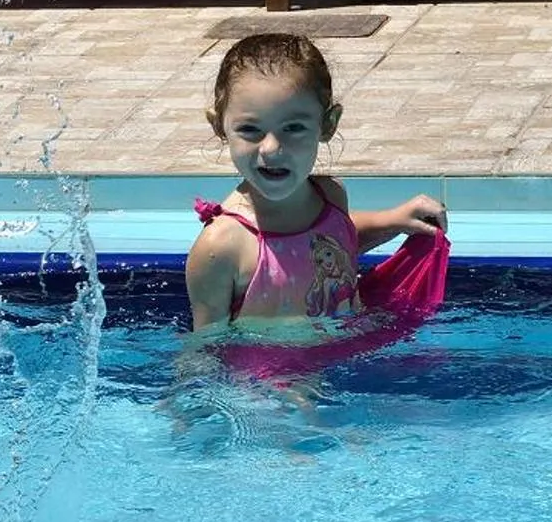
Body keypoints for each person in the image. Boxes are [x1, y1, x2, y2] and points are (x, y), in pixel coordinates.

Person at [185, 33, 446, 334]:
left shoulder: (331, 196)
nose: (270, 148)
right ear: (219, 126)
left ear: (328, 124)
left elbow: (329, 244)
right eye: (249, 129)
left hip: (347, 352)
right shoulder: (223, 246)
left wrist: (394, 221)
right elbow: (206, 348)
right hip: (271, 377)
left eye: (293, 127)